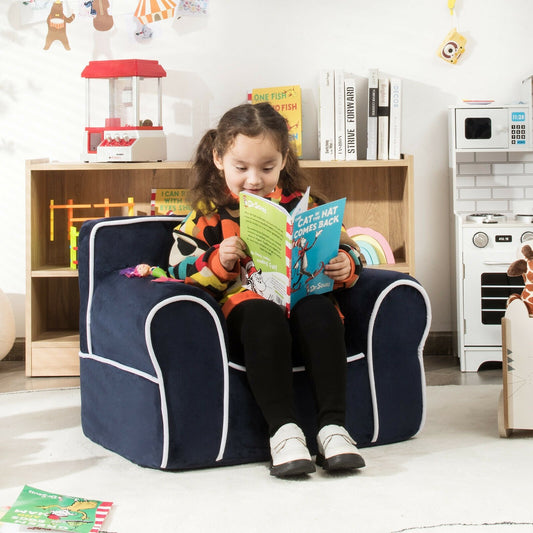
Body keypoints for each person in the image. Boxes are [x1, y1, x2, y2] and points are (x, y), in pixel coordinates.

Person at [169, 102, 365, 478]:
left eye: (267, 167)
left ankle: (333, 430)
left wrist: (345, 265)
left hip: (304, 297)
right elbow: (177, 270)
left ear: (284, 160)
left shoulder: (305, 205)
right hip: (250, 310)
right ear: (219, 158)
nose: (254, 179)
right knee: (262, 316)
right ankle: (284, 433)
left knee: (322, 313)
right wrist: (218, 261)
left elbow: (351, 250)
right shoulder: (207, 214)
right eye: (241, 168)